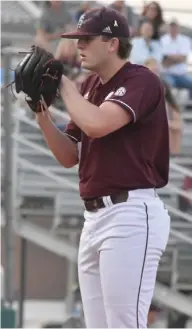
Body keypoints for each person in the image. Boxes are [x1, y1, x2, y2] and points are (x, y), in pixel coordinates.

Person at [36, 7, 171, 328]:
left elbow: (97, 124)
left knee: (125, 324)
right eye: (77, 39)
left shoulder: (141, 80)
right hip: (94, 218)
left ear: (112, 43)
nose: (78, 45)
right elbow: (70, 156)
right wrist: (41, 113)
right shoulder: (89, 87)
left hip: (131, 214)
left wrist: (62, 84)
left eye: (87, 38)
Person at [145, 58, 183, 155]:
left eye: (156, 71)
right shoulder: (141, 100)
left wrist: (164, 123)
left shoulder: (171, 105)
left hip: (166, 149)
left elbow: (178, 125)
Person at [160, 20, 192, 92]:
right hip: (167, 74)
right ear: (168, 28)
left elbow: (183, 58)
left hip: (181, 74)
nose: (173, 29)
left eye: (175, 27)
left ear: (178, 28)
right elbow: (163, 60)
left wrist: (168, 58)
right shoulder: (162, 40)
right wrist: (177, 58)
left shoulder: (185, 40)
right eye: (171, 27)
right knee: (167, 85)